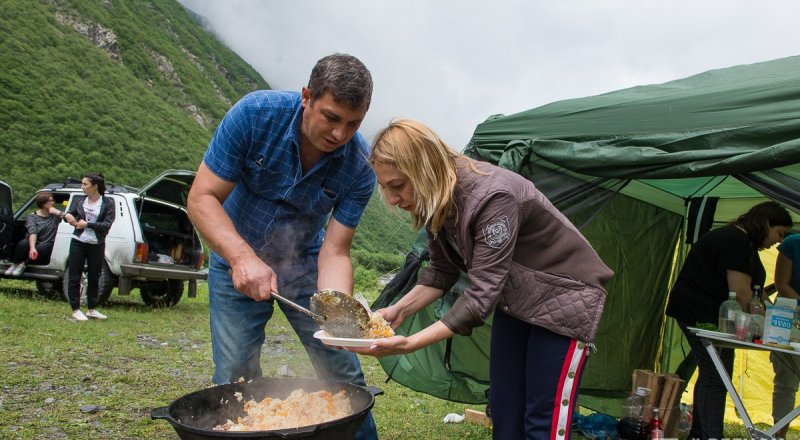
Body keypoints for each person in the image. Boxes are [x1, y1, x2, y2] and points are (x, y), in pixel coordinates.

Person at [348, 118, 614, 440]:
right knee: (504, 408)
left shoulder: (493, 197)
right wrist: (399, 310)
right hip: (517, 300)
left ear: (425, 169)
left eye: (398, 185)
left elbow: (479, 297)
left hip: (566, 297)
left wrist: (409, 344)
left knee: (542, 418)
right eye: (385, 186)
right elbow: (442, 270)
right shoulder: (439, 199)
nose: (391, 199)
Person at [186, 53, 378, 439]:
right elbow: (202, 198)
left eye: (353, 123)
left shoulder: (359, 165)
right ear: (307, 96)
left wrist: (338, 310)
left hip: (305, 267)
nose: (340, 135)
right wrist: (242, 258)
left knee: (342, 371)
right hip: (234, 258)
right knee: (235, 372)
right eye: (331, 117)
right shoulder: (255, 115)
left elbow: (336, 251)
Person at [665, 201, 792, 439]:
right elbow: (743, 294)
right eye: (779, 233)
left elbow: (757, 292)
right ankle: (711, 435)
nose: (779, 241)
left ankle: (702, 434)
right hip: (699, 315)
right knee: (716, 375)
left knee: (714, 374)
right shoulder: (736, 242)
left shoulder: (743, 244)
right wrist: (769, 323)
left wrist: (777, 316)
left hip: (711, 319)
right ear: (765, 223)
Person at [63, 173, 115, 322]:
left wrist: (88, 224)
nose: (82, 187)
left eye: (85, 184)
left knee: (95, 276)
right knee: (74, 275)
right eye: (82, 184)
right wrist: (68, 217)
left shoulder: (108, 203)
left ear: (95, 186)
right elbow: (70, 214)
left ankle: (91, 309)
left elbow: (107, 224)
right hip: (78, 241)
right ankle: (75, 309)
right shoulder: (79, 201)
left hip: (96, 243)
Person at [772, 232, 800, 439]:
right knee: (786, 380)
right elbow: (781, 283)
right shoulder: (793, 243)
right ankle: (778, 434)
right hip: (788, 314)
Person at [4, 193, 66, 276]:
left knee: (41, 248)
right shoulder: (32, 217)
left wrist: (57, 211)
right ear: (43, 203)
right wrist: (32, 248)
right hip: (34, 239)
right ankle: (15, 263)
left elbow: (70, 219)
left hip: (48, 243)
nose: (53, 203)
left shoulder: (56, 216)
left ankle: (23, 264)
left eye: (52, 200)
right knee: (23, 244)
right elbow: (33, 232)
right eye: (50, 201)